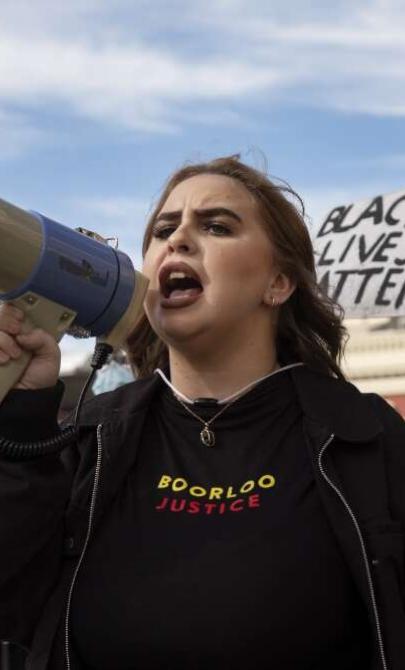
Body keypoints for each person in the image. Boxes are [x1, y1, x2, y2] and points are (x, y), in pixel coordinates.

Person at [0, 155, 404, 670]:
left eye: (216, 226)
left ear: (277, 284)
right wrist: (19, 423)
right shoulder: (88, 436)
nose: (179, 239)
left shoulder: (363, 437)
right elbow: (12, 602)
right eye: (164, 229)